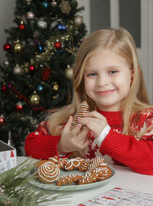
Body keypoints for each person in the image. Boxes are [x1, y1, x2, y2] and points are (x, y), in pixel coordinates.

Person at [25, 27, 153, 175]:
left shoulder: (146, 121)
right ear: (81, 78)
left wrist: (107, 136)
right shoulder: (73, 120)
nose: (102, 82)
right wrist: (62, 145)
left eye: (112, 71)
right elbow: (30, 145)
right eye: (92, 74)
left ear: (132, 74)